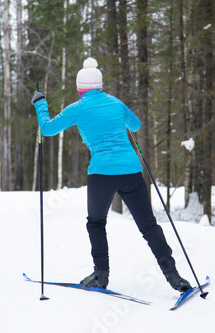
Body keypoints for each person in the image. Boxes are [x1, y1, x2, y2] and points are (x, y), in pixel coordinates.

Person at [32, 57, 191, 292]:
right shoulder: (115, 102)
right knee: (149, 226)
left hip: (102, 174)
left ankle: (101, 275)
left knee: (96, 223)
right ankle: (174, 276)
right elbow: (135, 125)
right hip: (131, 170)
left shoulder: (78, 107)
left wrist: (40, 103)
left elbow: (47, 129)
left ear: (80, 89)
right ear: (100, 86)